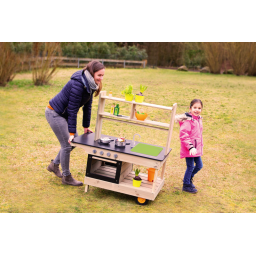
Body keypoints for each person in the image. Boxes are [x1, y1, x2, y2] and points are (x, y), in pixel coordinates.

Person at [45, 61, 105, 186]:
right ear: (92, 73)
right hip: (55, 113)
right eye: (99, 75)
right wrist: (71, 132)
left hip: (63, 114)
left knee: (74, 141)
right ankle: (66, 177)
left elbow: (87, 107)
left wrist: (86, 127)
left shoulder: (90, 84)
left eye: (102, 75)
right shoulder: (78, 84)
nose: (101, 78)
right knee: (68, 144)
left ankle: (54, 165)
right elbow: (72, 109)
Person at [175, 99, 203, 193]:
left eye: (199, 108)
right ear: (190, 108)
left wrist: (197, 147)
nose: (197, 110)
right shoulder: (188, 121)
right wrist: (190, 147)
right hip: (189, 148)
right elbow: (183, 135)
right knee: (190, 166)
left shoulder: (198, 119)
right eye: (195, 107)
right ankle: (186, 185)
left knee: (199, 165)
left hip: (196, 149)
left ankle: (188, 179)